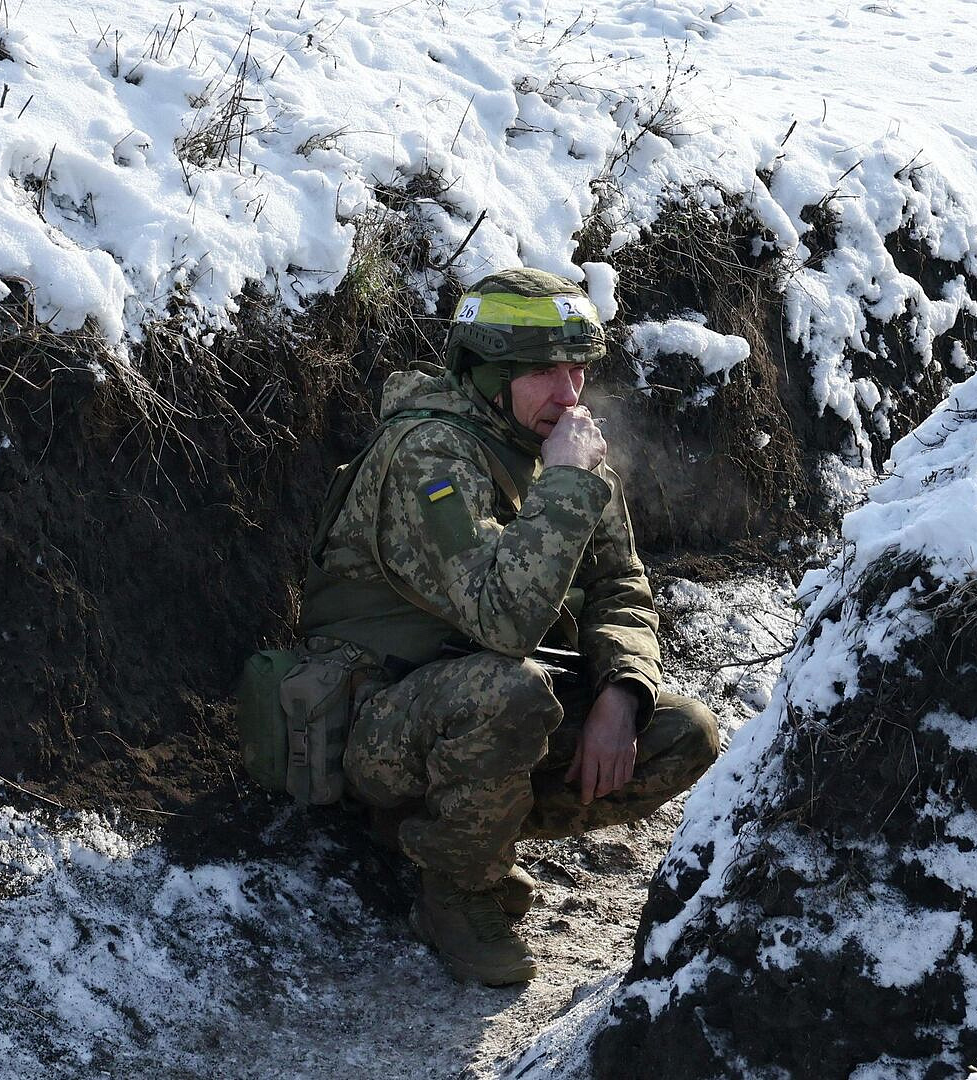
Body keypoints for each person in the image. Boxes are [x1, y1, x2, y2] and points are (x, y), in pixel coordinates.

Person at [298, 267, 722, 986]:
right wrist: (566, 484)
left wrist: (622, 691)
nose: (570, 394)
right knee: (510, 690)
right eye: (546, 373)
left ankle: (463, 835)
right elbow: (504, 619)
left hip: (483, 702)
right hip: (376, 722)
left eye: (579, 370)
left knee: (686, 733)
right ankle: (456, 892)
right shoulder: (429, 454)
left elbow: (621, 587)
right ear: (490, 374)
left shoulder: (562, 450)